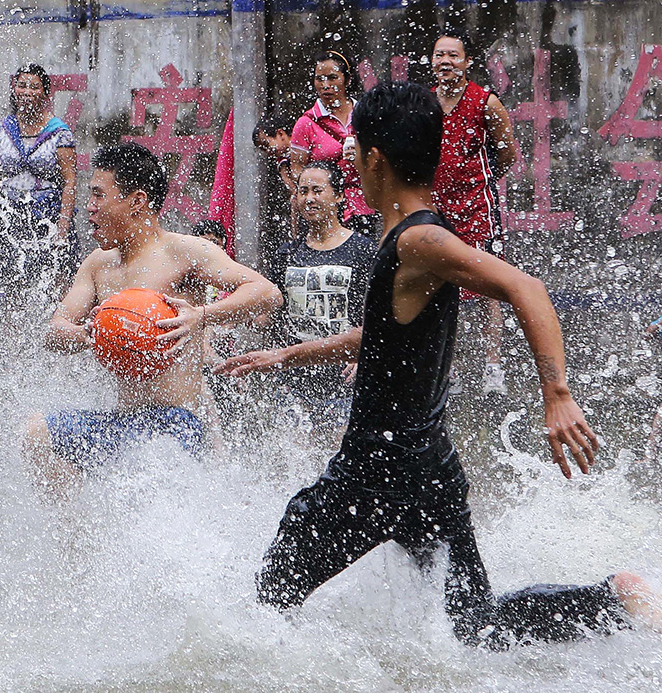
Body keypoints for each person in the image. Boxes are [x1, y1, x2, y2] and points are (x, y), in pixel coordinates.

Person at [217, 81, 659, 649]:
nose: (349, 161)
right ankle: (611, 600)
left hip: (375, 471)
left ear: (375, 159)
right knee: (475, 627)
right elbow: (384, 334)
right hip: (428, 466)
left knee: (265, 607)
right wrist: (289, 352)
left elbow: (526, 287)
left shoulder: (418, 240)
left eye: (355, 150)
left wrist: (557, 395)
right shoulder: (420, 233)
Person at [23, 143, 282, 501]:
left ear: (137, 200)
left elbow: (268, 293)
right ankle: (78, 549)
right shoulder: (99, 264)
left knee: (140, 484)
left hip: (176, 424)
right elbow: (54, 331)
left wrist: (202, 315)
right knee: (38, 432)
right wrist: (87, 333)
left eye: (99, 195)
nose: (90, 207)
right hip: (122, 422)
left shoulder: (184, 251)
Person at [431, 27, 519, 395]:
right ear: (432, 62)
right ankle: (444, 369)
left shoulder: (485, 102)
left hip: (477, 209)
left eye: (453, 55)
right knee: (439, 286)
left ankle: (493, 368)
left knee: (488, 286)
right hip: (435, 209)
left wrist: (475, 182)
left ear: (467, 62)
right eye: (440, 55)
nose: (446, 62)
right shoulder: (425, 103)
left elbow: (507, 154)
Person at [271, 161, 376, 446]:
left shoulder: (364, 250)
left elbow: (380, 315)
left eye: (318, 190)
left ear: (339, 196)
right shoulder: (288, 253)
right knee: (293, 461)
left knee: (338, 459)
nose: (309, 198)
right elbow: (270, 312)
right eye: (303, 191)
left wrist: (364, 354)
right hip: (294, 378)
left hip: (343, 379)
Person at [0, 63, 78, 296]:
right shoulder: (0, 129)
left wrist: (63, 228)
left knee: (54, 283)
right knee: (10, 283)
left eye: (34, 87)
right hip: (9, 215)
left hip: (47, 214)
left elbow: (70, 181)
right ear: (14, 90)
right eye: (22, 85)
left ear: (45, 93)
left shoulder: (59, 132)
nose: (27, 91)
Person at [290, 51, 379, 237]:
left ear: (347, 80)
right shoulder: (306, 123)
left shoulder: (366, 116)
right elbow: (298, 171)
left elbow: (381, 161)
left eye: (332, 78)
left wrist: (362, 155)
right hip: (323, 212)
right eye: (319, 79)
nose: (325, 86)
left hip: (364, 209)